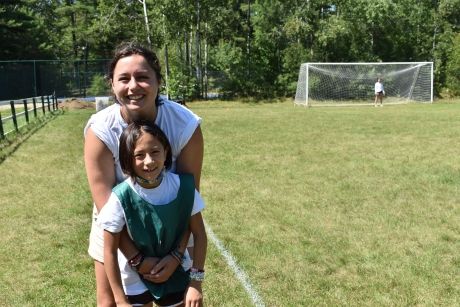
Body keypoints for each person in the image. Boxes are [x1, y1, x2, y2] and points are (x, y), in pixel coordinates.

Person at [84, 41, 204, 306]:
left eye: (142, 77)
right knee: (110, 303)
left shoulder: (185, 125)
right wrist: (137, 258)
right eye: (123, 78)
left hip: (173, 229)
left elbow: (187, 200)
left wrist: (175, 256)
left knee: (185, 300)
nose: (133, 86)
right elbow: (107, 213)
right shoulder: (100, 130)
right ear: (112, 84)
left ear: (158, 81)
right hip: (117, 229)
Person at [98, 121, 207, 306]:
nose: (149, 161)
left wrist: (196, 282)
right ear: (127, 160)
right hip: (133, 277)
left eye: (155, 152)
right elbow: (108, 251)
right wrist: (120, 300)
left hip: (177, 270)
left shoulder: (184, 187)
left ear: (166, 152)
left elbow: (199, 234)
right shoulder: (120, 197)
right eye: (139, 155)